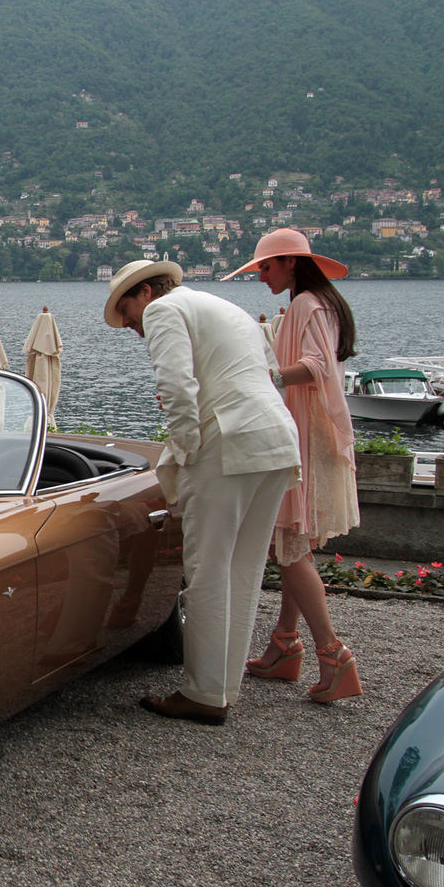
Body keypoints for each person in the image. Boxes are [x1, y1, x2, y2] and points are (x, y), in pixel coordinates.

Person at [105, 259, 300, 725]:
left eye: (127, 309)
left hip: (226, 446)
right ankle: (220, 687)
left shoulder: (164, 311)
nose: (130, 323)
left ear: (147, 292)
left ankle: (203, 694)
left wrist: (187, 449)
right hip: (274, 440)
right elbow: (266, 374)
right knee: (243, 570)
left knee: (207, 571)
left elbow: (174, 384)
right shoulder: (224, 307)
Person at [223, 229, 363, 702]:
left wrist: (263, 377)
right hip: (316, 430)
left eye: (265, 267)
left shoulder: (306, 304)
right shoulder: (321, 301)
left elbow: (318, 366)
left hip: (304, 433)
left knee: (291, 548)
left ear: (288, 263)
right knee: (292, 542)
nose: (261, 276)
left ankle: (335, 656)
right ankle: (285, 646)